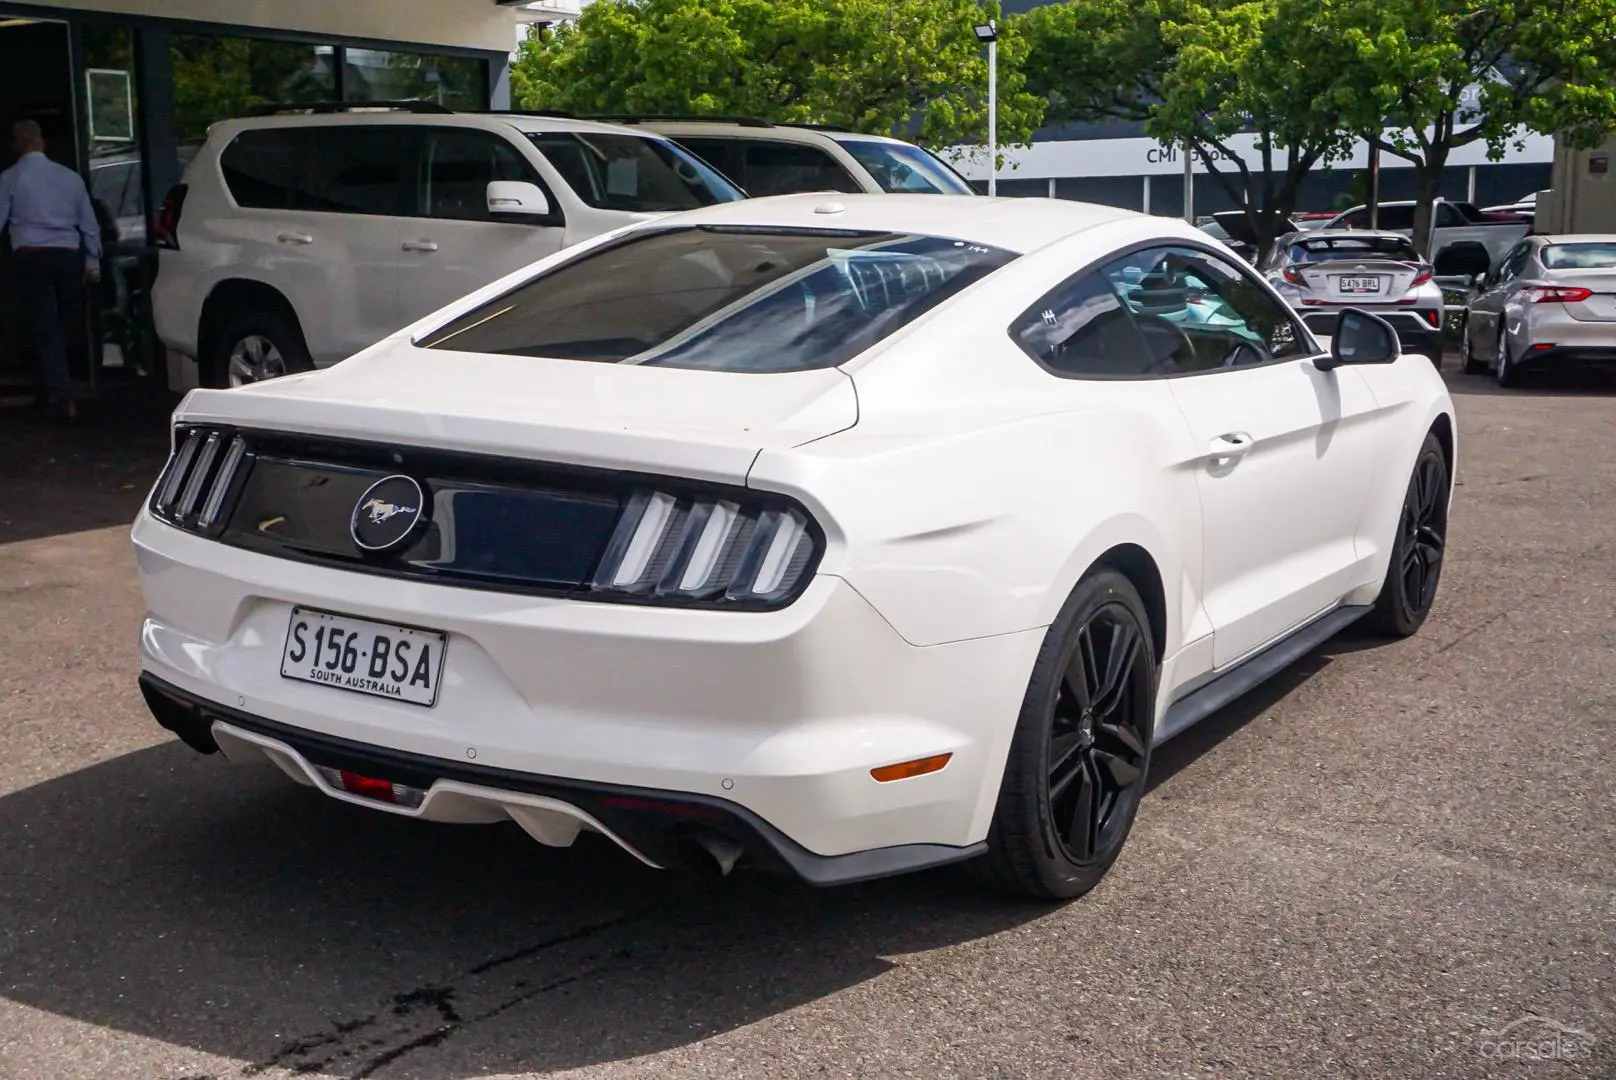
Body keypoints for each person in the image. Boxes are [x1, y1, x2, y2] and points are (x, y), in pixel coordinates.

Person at [0, 119, 102, 421]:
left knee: (43, 325)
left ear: (17, 144)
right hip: (70, 257)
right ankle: (60, 384)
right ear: (42, 142)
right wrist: (93, 262)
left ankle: (60, 391)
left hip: (32, 257)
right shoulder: (70, 178)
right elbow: (89, 225)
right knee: (62, 324)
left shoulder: (10, 178)